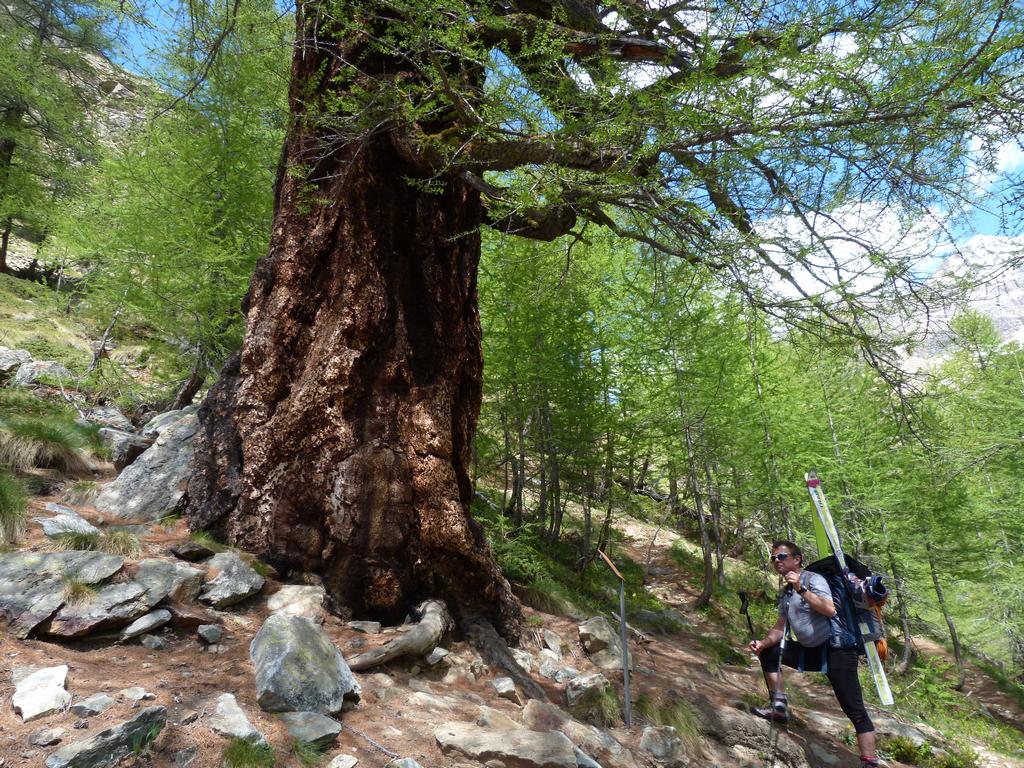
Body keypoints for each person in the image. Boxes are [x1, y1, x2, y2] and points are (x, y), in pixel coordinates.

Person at [748, 540, 880, 768]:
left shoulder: (813, 580)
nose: (776, 561)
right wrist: (763, 642)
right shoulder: (786, 592)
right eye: (773, 558)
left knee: (853, 708)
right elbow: (780, 627)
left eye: (781, 556)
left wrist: (801, 588)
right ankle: (778, 707)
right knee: (769, 653)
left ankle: (869, 760)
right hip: (811, 651)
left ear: (796, 559)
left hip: (837, 650)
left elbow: (829, 609)